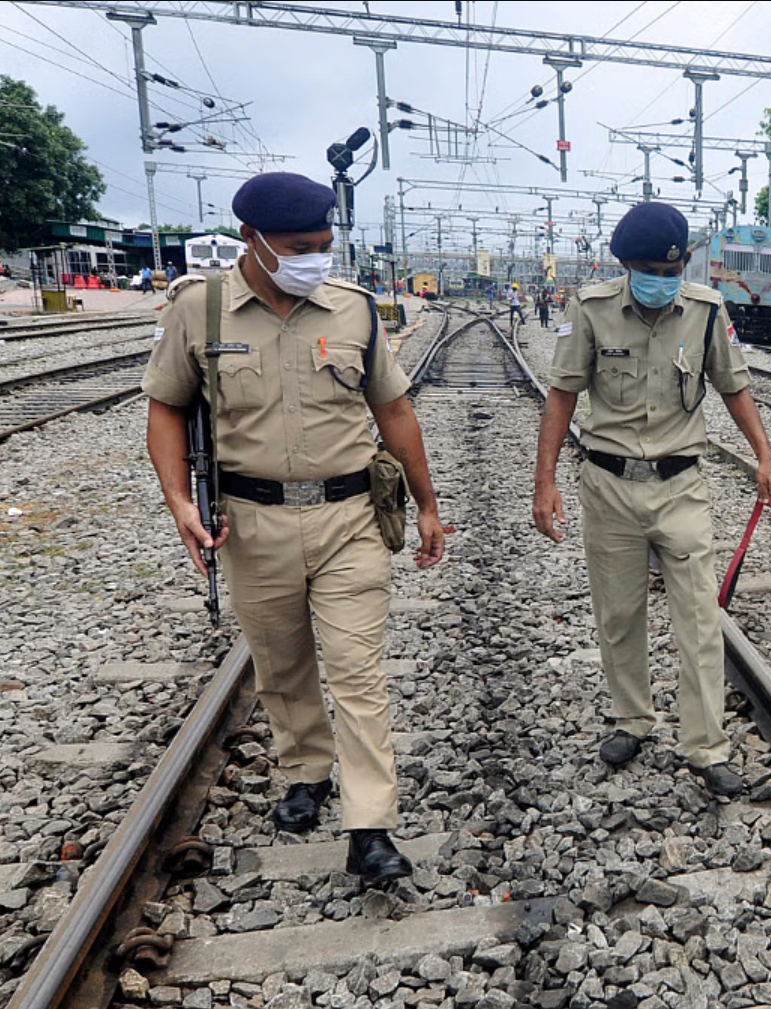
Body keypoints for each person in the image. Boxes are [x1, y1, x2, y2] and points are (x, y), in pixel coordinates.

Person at [142, 171, 447, 883]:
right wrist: (179, 501)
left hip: (349, 517)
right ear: (251, 240)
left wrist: (428, 505)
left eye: (325, 244)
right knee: (281, 663)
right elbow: (165, 406)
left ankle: (370, 825)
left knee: (358, 672)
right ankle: (306, 770)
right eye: (300, 246)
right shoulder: (200, 312)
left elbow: (395, 412)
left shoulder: (354, 311)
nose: (318, 258)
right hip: (251, 522)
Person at [532, 201, 771, 797]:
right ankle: (632, 719)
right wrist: (545, 481)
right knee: (619, 613)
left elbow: (734, 387)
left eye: (670, 271)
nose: (660, 280)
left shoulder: (705, 311)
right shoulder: (590, 309)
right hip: (608, 485)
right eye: (648, 269)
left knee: (699, 617)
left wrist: (764, 457)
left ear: (684, 265)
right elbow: (562, 395)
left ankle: (705, 745)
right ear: (625, 266)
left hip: (681, 485)